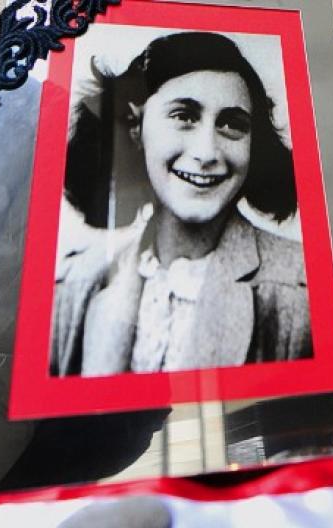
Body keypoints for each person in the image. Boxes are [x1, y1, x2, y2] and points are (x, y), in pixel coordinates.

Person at [51, 31, 312, 377]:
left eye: (233, 124)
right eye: (184, 116)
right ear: (136, 127)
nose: (206, 152)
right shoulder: (76, 283)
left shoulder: (302, 291)